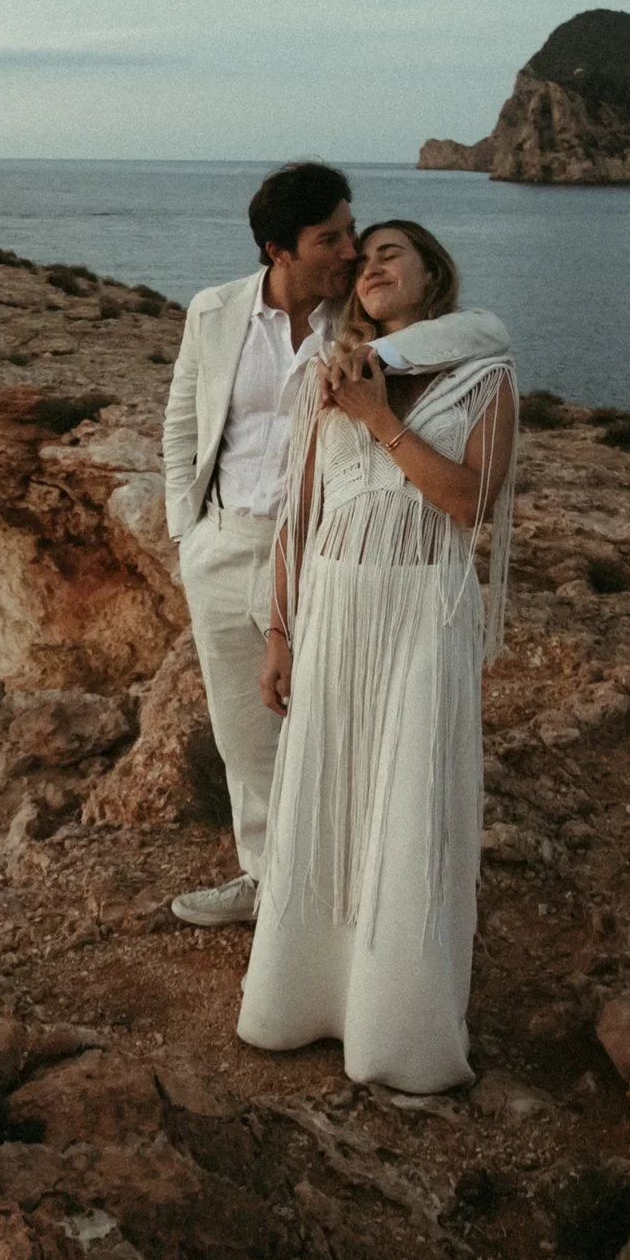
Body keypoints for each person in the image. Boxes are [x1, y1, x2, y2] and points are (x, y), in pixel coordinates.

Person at [235, 219, 517, 1092]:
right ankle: (305, 999)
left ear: (435, 272)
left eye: (393, 251)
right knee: (328, 789)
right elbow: (301, 514)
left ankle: (398, 1029)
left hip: (422, 613)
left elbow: (471, 501)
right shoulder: (331, 375)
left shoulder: (487, 375)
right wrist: (280, 635)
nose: (372, 266)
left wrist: (379, 419)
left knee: (408, 801)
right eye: (363, 262)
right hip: (334, 615)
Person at [162, 162, 360, 927]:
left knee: (328, 725)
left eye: (348, 229)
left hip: (320, 553)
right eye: (329, 238)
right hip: (222, 546)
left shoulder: (363, 322)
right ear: (280, 249)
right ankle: (265, 884)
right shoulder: (214, 312)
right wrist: (190, 534)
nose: (349, 249)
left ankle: (336, 896)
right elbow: (182, 424)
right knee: (244, 736)